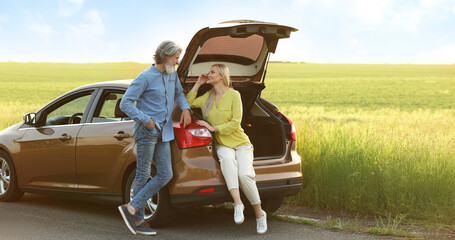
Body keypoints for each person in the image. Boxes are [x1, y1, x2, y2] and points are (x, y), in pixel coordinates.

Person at [118, 40, 192, 235]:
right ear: (166, 57)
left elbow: (179, 94)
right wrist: (146, 120)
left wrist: (185, 108)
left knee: (165, 174)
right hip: (147, 131)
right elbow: (125, 103)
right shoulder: (145, 77)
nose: (177, 62)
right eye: (176, 58)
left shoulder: (171, 74)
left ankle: (131, 208)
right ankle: (139, 221)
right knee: (142, 174)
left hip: (165, 132)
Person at [186, 64, 267, 234]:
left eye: (212, 72)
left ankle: (260, 214)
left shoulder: (234, 95)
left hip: (240, 142)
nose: (209, 74)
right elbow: (188, 103)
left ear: (222, 76)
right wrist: (199, 83)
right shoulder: (207, 96)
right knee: (227, 161)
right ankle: (238, 204)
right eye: (209, 72)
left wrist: (213, 128)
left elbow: (236, 122)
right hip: (222, 144)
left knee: (245, 174)